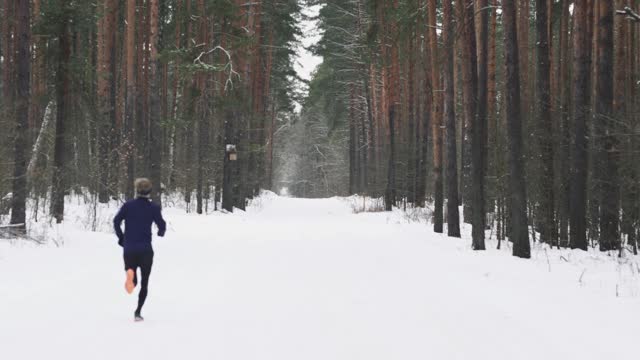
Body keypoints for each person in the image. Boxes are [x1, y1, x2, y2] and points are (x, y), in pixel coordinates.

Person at [113, 178, 166, 322]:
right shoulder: (153, 208)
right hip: (145, 249)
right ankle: (138, 312)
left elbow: (116, 221)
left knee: (132, 273)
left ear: (137, 190)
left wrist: (121, 237)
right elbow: (162, 224)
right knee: (145, 281)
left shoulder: (128, 206)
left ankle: (131, 277)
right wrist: (160, 232)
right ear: (149, 192)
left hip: (129, 247)